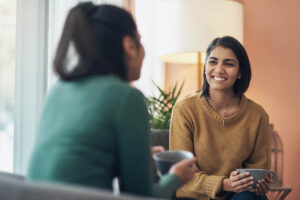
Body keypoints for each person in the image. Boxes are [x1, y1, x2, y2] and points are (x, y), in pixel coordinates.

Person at [27, 2, 198, 199]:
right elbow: (139, 195)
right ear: (129, 46)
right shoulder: (126, 97)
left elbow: (77, 161)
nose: (144, 52)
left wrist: (137, 155)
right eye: (140, 42)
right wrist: (176, 176)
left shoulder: (59, 89)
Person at [169, 36, 272, 200]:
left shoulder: (257, 115)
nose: (219, 69)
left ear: (240, 73)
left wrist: (260, 185)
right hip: (193, 196)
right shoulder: (184, 110)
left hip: (238, 196)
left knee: (250, 196)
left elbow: (259, 170)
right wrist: (224, 184)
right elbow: (181, 177)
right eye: (213, 62)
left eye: (229, 64)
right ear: (205, 67)